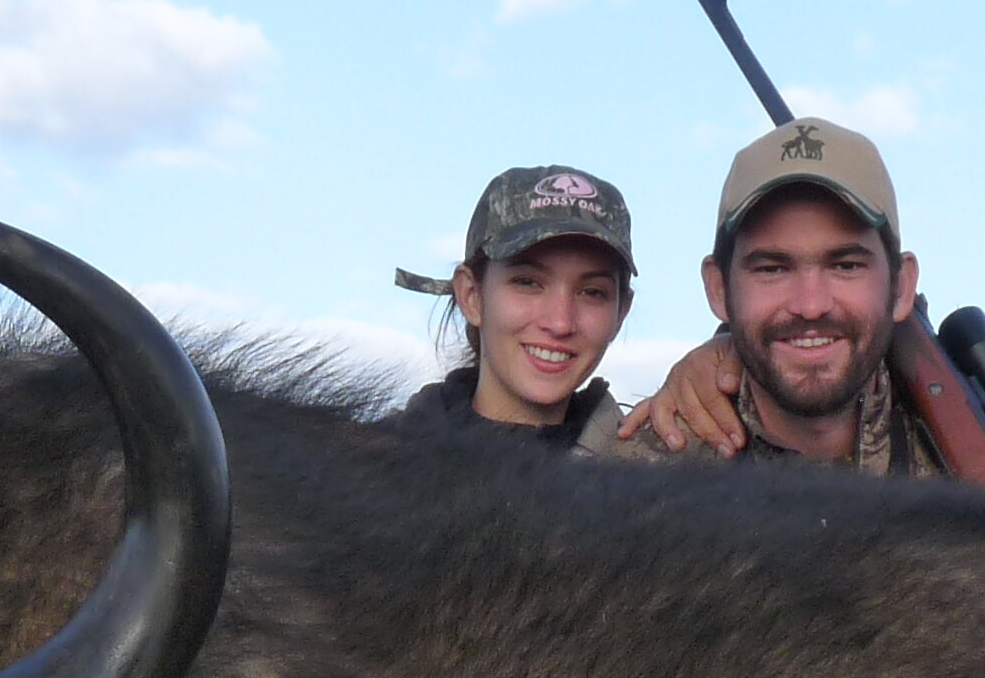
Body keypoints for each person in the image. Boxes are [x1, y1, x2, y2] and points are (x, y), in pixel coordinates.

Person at [613, 117, 946, 476]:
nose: (811, 305)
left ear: (901, 286)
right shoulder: (632, 479)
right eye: (772, 269)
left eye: (846, 266)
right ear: (718, 289)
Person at [393, 165, 637, 449]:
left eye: (592, 292)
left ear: (621, 313)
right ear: (472, 295)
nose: (560, 323)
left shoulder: (662, 476)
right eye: (527, 282)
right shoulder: (364, 466)